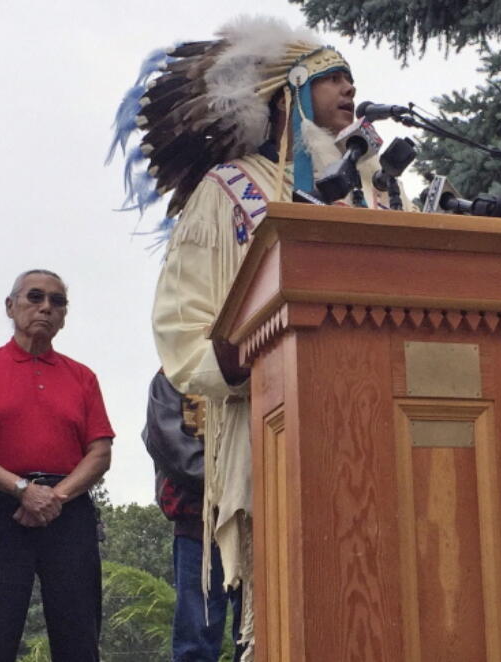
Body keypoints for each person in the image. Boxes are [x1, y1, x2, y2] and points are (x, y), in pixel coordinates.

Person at [109, 16, 405, 656]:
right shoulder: (230, 191)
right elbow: (181, 320)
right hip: (273, 417)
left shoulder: (375, 191)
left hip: (379, 414)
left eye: (355, 78)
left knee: (367, 593)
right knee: (279, 604)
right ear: (291, 93)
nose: (351, 89)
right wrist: (244, 357)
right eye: (334, 78)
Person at [0, 269, 114, 662]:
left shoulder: (82, 377)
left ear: (64, 315)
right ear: (10, 306)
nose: (45, 307)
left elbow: (100, 452)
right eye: (35, 297)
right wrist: (22, 490)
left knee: (79, 633)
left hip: (68, 507)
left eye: (57, 301)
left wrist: (54, 496)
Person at [143, 370, 244, 662]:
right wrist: (232, 485)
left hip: (255, 523)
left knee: (255, 635)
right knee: (196, 640)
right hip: (197, 523)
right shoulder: (173, 375)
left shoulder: (254, 360)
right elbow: (169, 444)